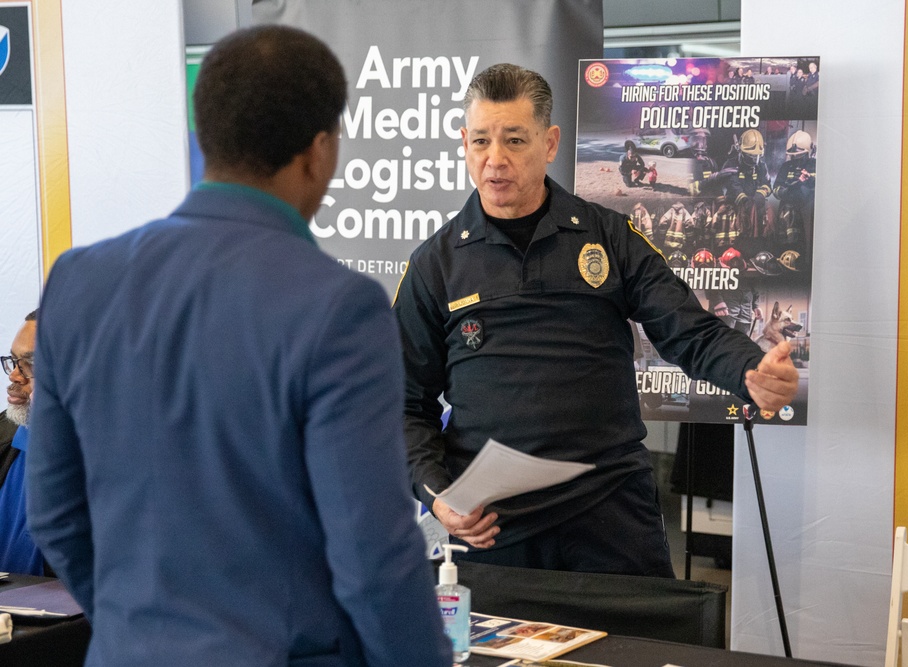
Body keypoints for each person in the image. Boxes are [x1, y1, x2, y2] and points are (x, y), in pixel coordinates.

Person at [27, 26, 450, 667]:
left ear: (205, 138)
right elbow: (372, 555)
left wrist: (135, 623)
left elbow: (55, 511)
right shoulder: (339, 307)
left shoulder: (79, 282)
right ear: (319, 152)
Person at [393, 63, 798, 577]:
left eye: (515, 140)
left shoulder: (609, 237)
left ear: (550, 142)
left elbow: (686, 329)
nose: (495, 160)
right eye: (480, 142)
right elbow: (405, 403)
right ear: (464, 143)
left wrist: (748, 369)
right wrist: (437, 494)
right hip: (492, 526)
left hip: (610, 512)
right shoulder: (436, 263)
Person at [0, 310, 45, 575]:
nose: (15, 377)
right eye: (14, 362)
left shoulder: (125, 451)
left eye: (30, 364)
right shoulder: (5, 433)